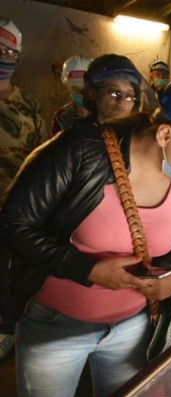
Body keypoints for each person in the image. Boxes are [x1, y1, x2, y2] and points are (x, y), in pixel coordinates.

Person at [0, 74, 171, 397]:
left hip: (133, 328)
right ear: (164, 135)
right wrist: (89, 269)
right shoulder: (81, 153)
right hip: (56, 326)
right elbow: (13, 224)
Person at [0, 17, 47, 360]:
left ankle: (9, 328)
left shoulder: (27, 105)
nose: (3, 57)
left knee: (15, 271)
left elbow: (42, 154)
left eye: (7, 51)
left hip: (19, 207)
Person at [80, 53, 143, 124]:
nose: (121, 100)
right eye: (114, 92)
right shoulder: (77, 134)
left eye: (129, 96)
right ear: (93, 93)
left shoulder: (142, 134)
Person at [50, 54, 93, 136]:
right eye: (76, 88)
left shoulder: (105, 113)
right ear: (68, 87)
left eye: (84, 89)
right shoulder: (61, 116)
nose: (81, 93)